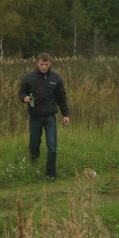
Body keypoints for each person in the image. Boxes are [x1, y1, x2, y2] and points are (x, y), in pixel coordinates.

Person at [18, 53, 70, 181]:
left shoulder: (56, 79)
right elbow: (21, 92)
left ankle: (50, 174)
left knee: (52, 146)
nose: (44, 67)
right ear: (37, 63)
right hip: (35, 116)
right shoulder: (29, 78)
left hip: (50, 117)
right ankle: (33, 168)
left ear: (50, 64)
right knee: (34, 144)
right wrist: (24, 98)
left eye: (46, 64)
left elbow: (61, 98)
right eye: (42, 64)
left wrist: (65, 114)